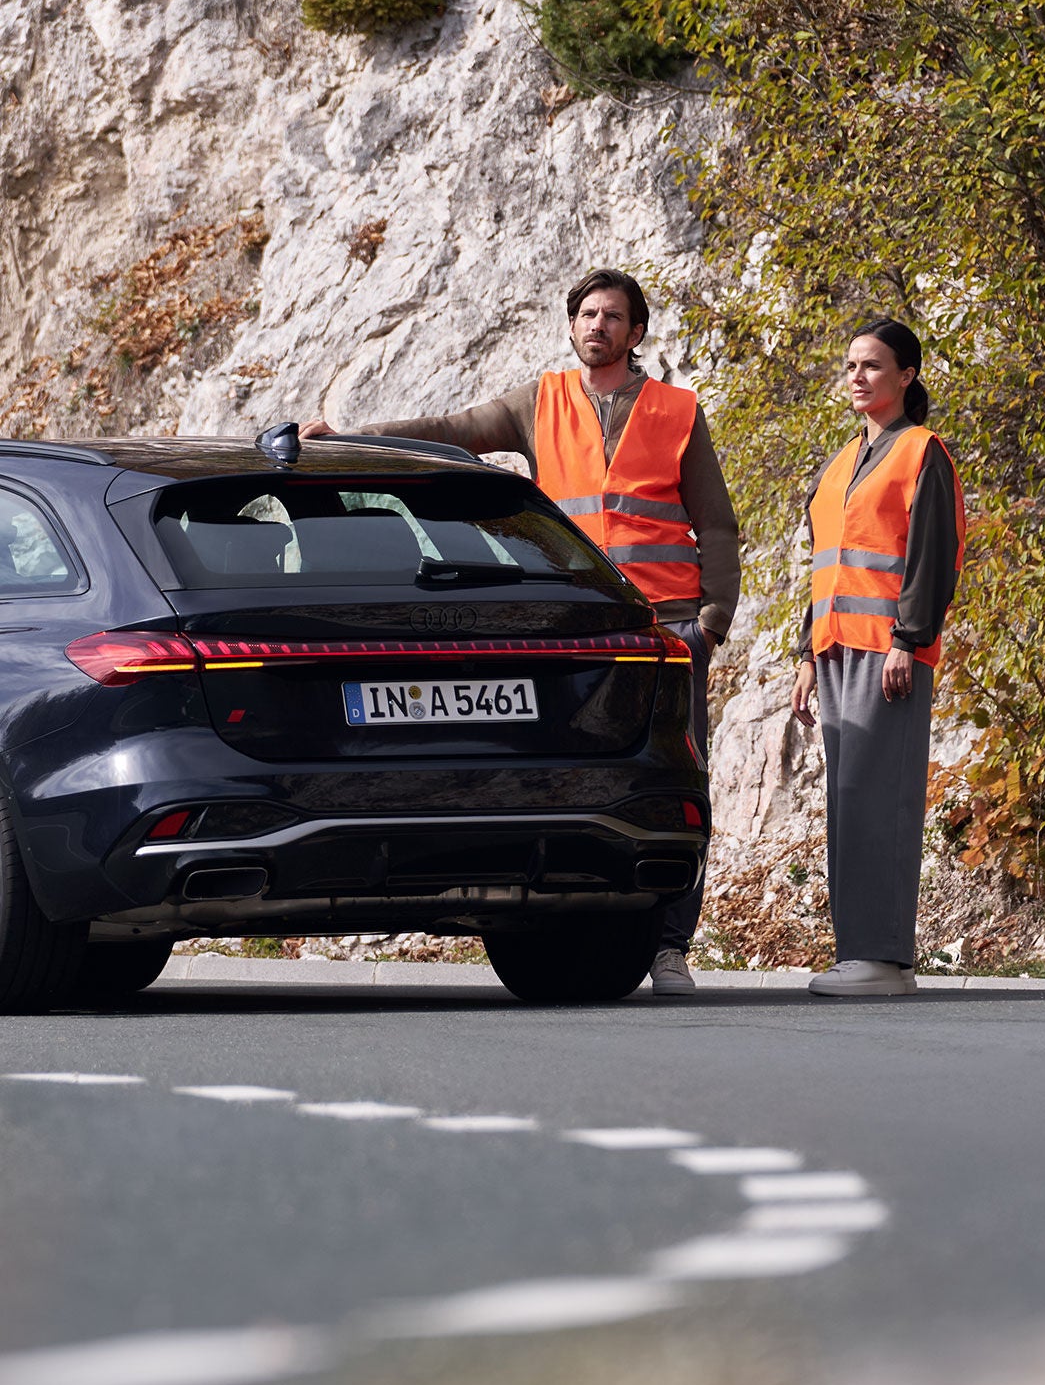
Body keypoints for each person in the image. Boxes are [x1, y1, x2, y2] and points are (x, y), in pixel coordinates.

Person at [301, 267, 741, 994]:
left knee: (673, 784)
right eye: (587, 314)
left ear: (637, 333)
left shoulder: (676, 411)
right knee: (576, 782)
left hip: (663, 632)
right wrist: (350, 437)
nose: (597, 325)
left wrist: (711, 625)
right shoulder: (541, 403)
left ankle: (670, 949)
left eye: (612, 316)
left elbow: (716, 524)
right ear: (572, 326)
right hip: (575, 627)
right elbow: (450, 433)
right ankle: (585, 924)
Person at [791, 318, 965, 998]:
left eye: (871, 365)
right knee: (847, 802)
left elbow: (931, 557)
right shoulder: (842, 461)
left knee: (880, 800)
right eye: (851, 365)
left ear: (906, 376)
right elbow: (824, 568)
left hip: (890, 652)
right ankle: (858, 953)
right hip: (836, 650)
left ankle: (885, 957)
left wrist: (908, 639)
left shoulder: (922, 452)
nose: (857, 376)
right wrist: (807, 655)